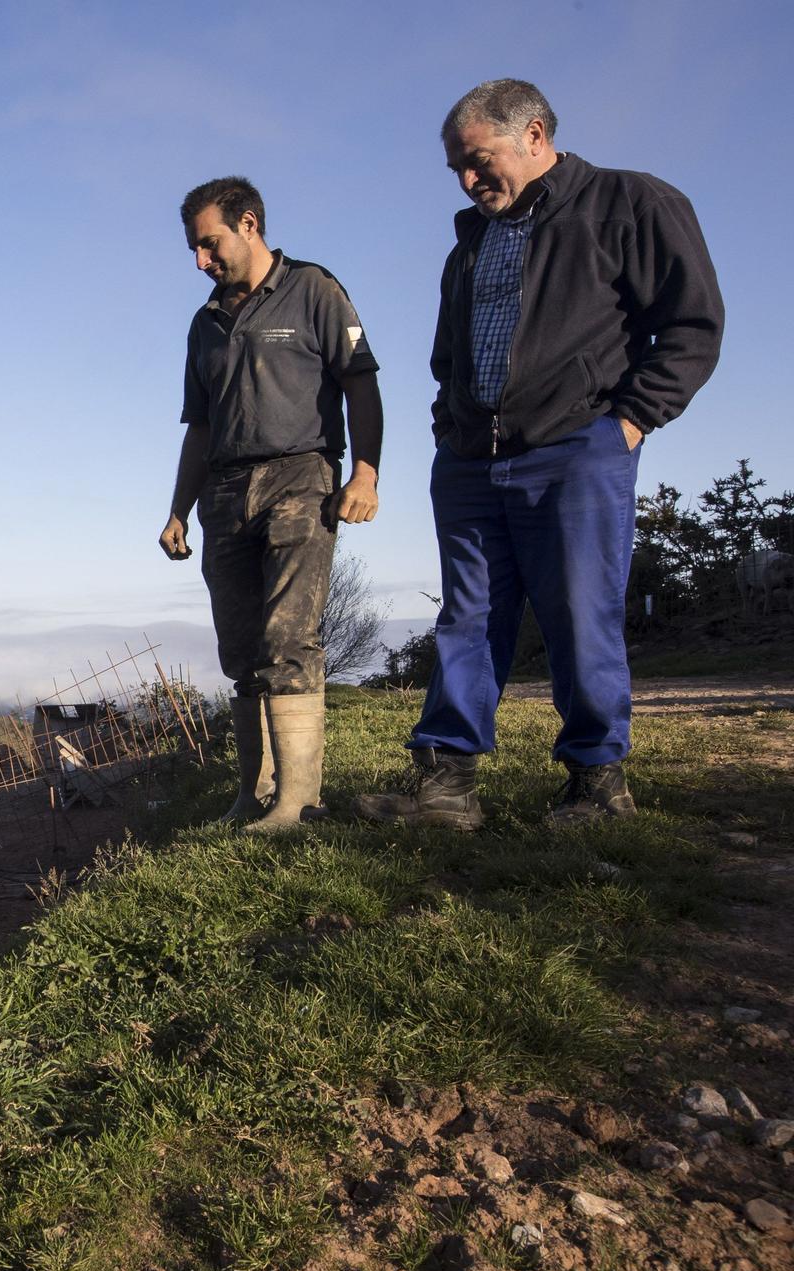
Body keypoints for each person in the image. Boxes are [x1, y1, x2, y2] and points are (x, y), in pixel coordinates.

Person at [353, 79, 723, 829]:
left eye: (478, 159)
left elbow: (694, 324)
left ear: (535, 134)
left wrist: (628, 423)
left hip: (578, 449)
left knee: (580, 615)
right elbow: (446, 356)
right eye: (457, 166)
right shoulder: (472, 240)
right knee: (468, 617)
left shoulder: (630, 203)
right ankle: (447, 786)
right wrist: (447, 429)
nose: (466, 179)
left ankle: (596, 786)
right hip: (470, 463)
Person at [160, 177, 383, 832]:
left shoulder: (315, 289)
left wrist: (365, 475)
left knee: (289, 636)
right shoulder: (204, 325)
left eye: (209, 243)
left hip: (300, 476)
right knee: (242, 648)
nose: (201, 261)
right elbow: (198, 428)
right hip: (223, 493)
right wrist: (178, 508)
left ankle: (298, 800)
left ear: (249, 223)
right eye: (194, 249)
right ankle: (253, 796)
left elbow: (361, 384)